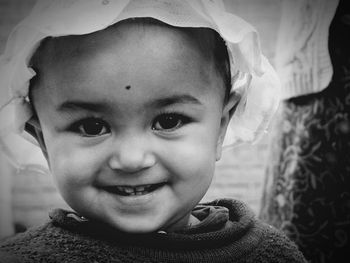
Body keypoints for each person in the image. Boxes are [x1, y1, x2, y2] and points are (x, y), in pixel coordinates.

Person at [0, 0, 307, 262]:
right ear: (42, 140)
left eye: (169, 121)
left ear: (221, 126)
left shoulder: (273, 255)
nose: (132, 160)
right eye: (92, 127)